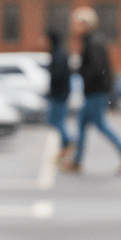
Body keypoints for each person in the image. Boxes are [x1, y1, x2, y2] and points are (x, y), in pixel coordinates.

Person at [62, 6, 121, 174]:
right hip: (94, 91)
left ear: (86, 24)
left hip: (96, 92)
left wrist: (79, 71)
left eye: (76, 23)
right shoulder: (91, 41)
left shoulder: (93, 43)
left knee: (100, 125)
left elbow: (96, 69)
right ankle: (77, 161)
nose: (73, 27)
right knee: (81, 124)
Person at [46, 29, 72, 157]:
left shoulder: (59, 54)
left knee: (56, 121)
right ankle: (65, 146)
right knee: (56, 121)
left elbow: (58, 75)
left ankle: (68, 142)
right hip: (60, 93)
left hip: (59, 94)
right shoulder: (58, 52)